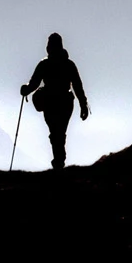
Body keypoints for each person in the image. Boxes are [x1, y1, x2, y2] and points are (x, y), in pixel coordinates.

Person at [20, 32, 89, 170]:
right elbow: (77, 86)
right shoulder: (69, 64)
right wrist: (83, 104)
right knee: (59, 132)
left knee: (55, 133)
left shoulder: (45, 64)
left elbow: (34, 83)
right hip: (65, 102)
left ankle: (58, 162)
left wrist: (26, 90)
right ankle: (59, 162)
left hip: (51, 102)